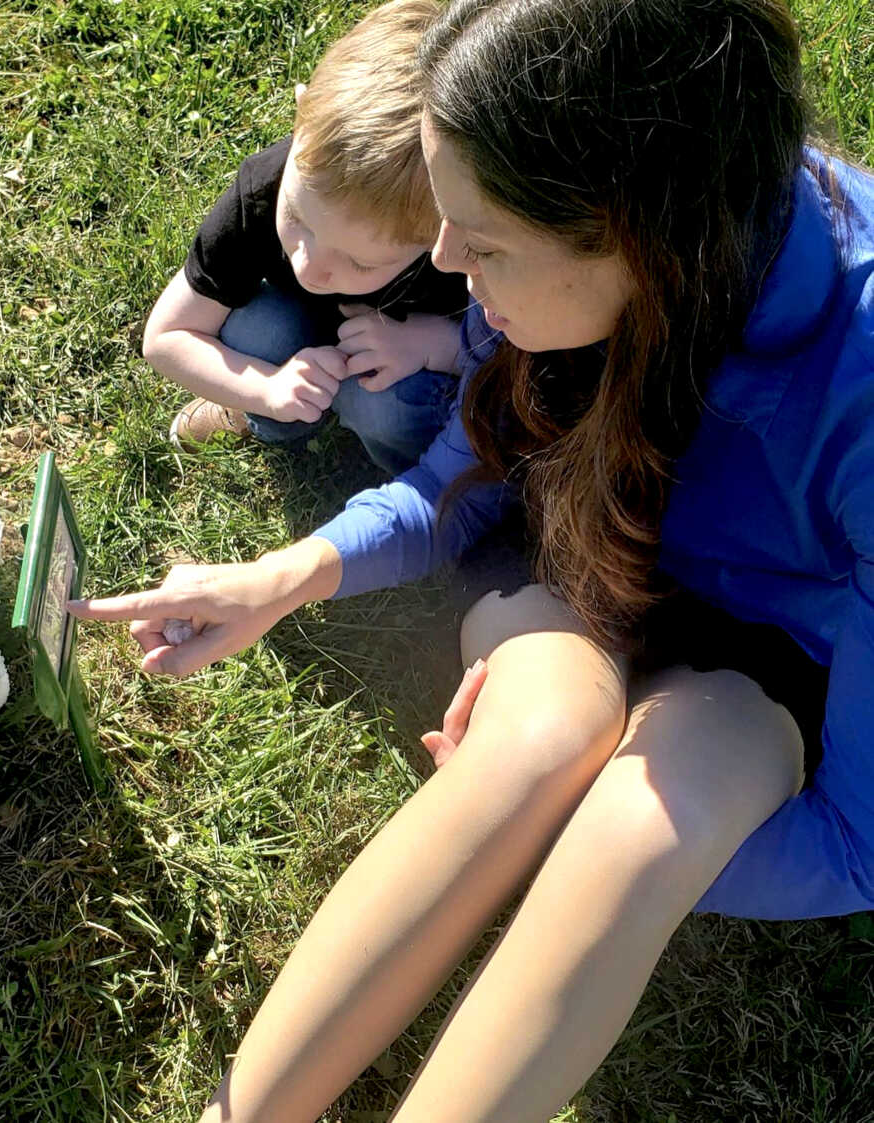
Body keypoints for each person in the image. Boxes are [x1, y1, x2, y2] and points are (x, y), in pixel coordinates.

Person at [70, 0, 874, 1119]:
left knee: (651, 823)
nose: (444, 265)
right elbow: (452, 487)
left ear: (628, 228)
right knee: (541, 739)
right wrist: (287, 574)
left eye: (481, 241)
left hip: (777, 651)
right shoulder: (567, 268)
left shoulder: (863, 388)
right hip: (590, 571)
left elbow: (857, 840)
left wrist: (612, 828)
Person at [148, 0, 467, 475]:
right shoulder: (264, 186)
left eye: (361, 263)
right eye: (298, 218)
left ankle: (424, 478)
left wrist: (438, 343)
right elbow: (166, 337)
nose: (310, 265)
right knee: (258, 332)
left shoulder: (459, 234)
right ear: (301, 122)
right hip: (296, 339)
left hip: (403, 362)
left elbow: (528, 355)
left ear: (444, 228)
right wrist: (266, 390)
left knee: (388, 405)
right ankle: (261, 418)